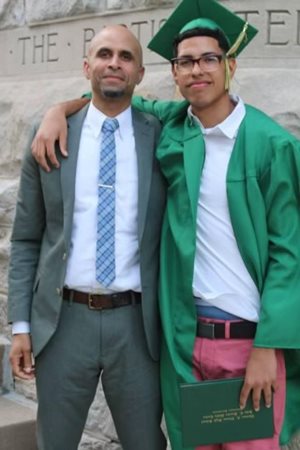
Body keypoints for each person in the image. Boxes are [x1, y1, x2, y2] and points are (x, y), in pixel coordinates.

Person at [30, 0, 300, 449]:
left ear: (230, 64)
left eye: (209, 59)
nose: (198, 70)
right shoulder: (174, 127)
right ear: (174, 73)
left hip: (248, 344)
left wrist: (266, 348)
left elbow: (289, 253)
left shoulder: (271, 145)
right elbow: (109, 98)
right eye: (186, 62)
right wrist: (57, 108)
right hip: (186, 343)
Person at [8, 24, 167, 450]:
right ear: (87, 66)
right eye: (104, 54)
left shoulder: (162, 136)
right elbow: (26, 239)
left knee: (146, 444)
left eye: (125, 57)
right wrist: (21, 326)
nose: (114, 63)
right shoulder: (50, 138)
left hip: (137, 327)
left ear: (140, 73)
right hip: (63, 323)